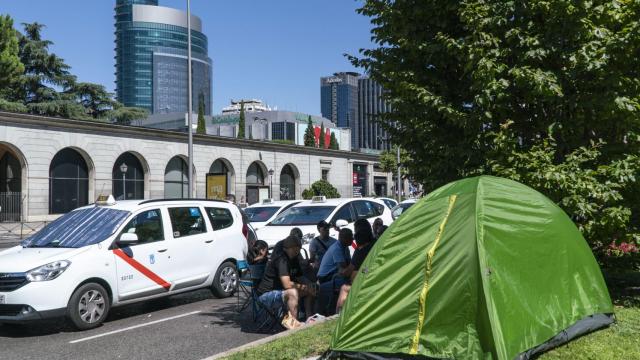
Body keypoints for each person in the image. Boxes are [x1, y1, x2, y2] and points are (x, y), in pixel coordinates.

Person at [256, 235, 316, 328]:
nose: (298, 251)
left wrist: (309, 285)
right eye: (295, 248)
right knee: (292, 292)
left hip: (281, 292)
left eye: (298, 248)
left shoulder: (294, 259)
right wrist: (304, 287)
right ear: (289, 248)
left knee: (308, 290)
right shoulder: (282, 260)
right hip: (265, 295)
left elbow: (300, 276)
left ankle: (309, 318)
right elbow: (287, 284)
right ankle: (293, 325)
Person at [335, 219, 376, 314]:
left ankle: (338, 315)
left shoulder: (360, 251)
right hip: (375, 276)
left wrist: (340, 271)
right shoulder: (376, 243)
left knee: (343, 287)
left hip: (365, 282)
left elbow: (347, 272)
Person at [316, 228, 353, 315]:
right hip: (326, 278)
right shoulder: (337, 249)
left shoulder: (345, 247)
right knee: (347, 282)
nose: (352, 239)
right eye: (350, 237)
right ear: (343, 238)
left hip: (333, 273)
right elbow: (342, 269)